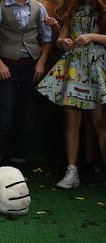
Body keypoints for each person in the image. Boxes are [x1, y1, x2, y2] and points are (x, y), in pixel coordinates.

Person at [36, 0, 106, 189]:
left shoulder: (103, 10)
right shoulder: (72, 9)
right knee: (72, 119)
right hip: (74, 66)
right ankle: (72, 170)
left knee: (100, 121)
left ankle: (99, 167)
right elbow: (60, 40)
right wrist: (63, 41)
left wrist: (92, 36)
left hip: (97, 66)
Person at [0, 0, 53, 175]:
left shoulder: (38, 8)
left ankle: (18, 164)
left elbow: (48, 39)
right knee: (4, 119)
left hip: (32, 67)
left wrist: (41, 63)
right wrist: (0, 65)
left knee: (27, 120)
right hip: (8, 66)